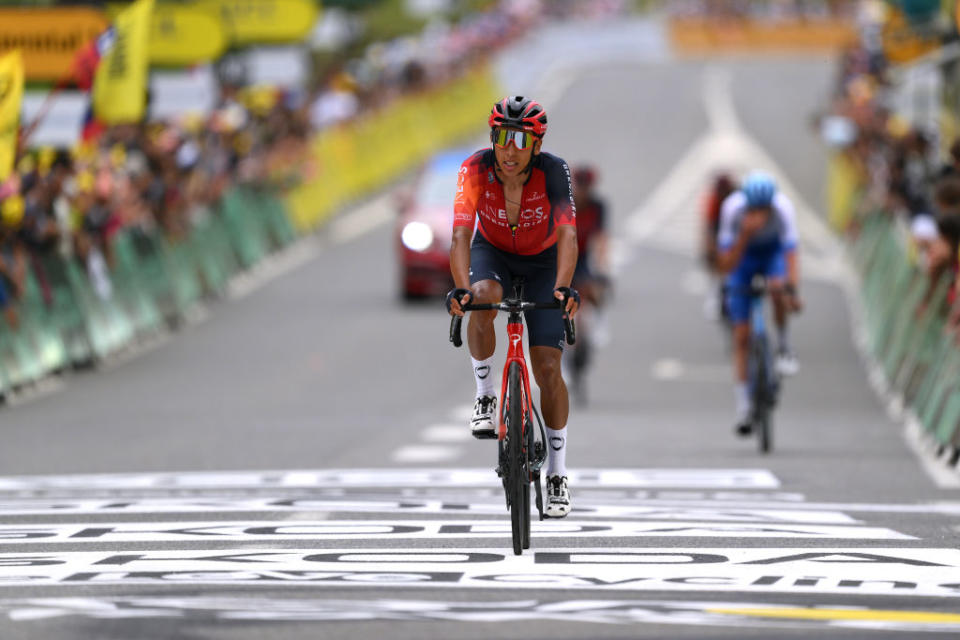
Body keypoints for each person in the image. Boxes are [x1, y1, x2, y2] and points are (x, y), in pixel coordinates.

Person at [446, 96, 579, 518]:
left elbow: (569, 238)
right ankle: (486, 395)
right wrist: (461, 290)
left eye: (521, 139)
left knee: (548, 370)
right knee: (481, 295)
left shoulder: (554, 172)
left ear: (536, 145)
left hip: (543, 262)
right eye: (502, 137)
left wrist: (562, 288)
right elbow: (460, 238)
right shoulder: (475, 168)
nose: (509, 148)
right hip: (494, 253)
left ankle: (557, 472)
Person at [715, 171, 803, 435]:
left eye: (764, 209)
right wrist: (744, 235)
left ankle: (784, 345)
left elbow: (791, 254)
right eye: (755, 208)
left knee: (777, 289)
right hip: (743, 260)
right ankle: (743, 407)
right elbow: (725, 264)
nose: (760, 214)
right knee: (741, 336)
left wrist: (792, 290)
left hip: (771, 254)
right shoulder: (732, 210)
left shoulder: (783, 209)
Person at [567, 166, 609, 404]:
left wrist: (602, 271)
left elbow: (602, 239)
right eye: (579, 186)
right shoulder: (563, 203)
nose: (582, 191)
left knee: (593, 290)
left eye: (586, 187)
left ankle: (596, 325)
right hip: (560, 257)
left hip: (581, 258)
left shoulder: (598, 207)